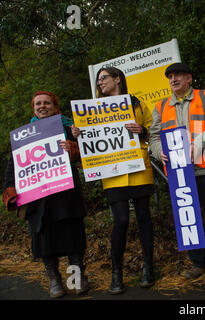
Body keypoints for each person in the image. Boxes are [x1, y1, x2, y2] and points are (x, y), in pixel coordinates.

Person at [72, 67, 155, 294]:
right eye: (98, 80)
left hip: (139, 167)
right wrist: (79, 134)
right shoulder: (92, 109)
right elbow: (88, 141)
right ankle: (116, 273)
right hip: (113, 172)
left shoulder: (137, 103)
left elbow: (153, 129)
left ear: (117, 79)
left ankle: (148, 267)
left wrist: (142, 130)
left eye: (103, 78)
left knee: (144, 218)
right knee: (121, 221)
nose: (100, 83)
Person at [149, 62, 205, 280]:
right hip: (178, 173)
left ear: (189, 79)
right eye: (170, 76)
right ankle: (199, 262)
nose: (173, 79)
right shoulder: (160, 107)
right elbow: (153, 137)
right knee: (188, 218)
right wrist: (160, 152)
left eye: (178, 75)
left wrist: (196, 145)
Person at [2, 91, 88, 298]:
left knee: (72, 238)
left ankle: (76, 278)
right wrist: (10, 191)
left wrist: (74, 147)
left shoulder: (70, 129)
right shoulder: (23, 135)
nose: (42, 106)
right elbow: (13, 166)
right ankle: (54, 280)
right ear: (33, 109)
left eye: (47, 103)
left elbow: (90, 157)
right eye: (38, 104)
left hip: (66, 195)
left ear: (55, 107)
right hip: (38, 199)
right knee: (44, 241)